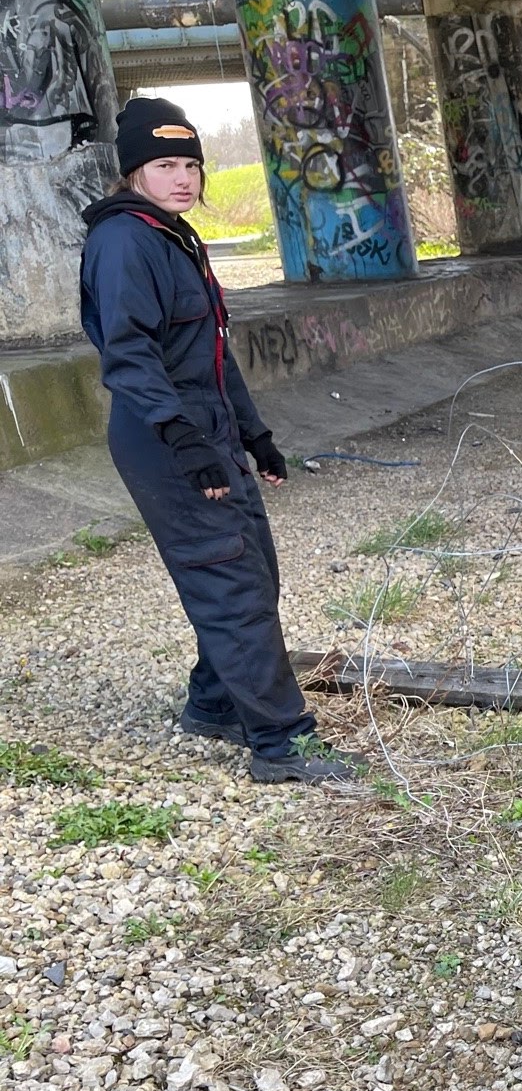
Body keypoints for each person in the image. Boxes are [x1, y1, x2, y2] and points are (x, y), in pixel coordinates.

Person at [79, 97, 358, 783]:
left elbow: (210, 352)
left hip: (207, 426)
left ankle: (215, 702)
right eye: (164, 165)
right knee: (229, 579)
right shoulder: (125, 241)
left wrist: (254, 433)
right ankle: (281, 742)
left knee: (252, 570)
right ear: (133, 172)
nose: (183, 179)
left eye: (191, 166)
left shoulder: (173, 236)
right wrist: (184, 439)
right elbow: (129, 354)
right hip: (164, 435)